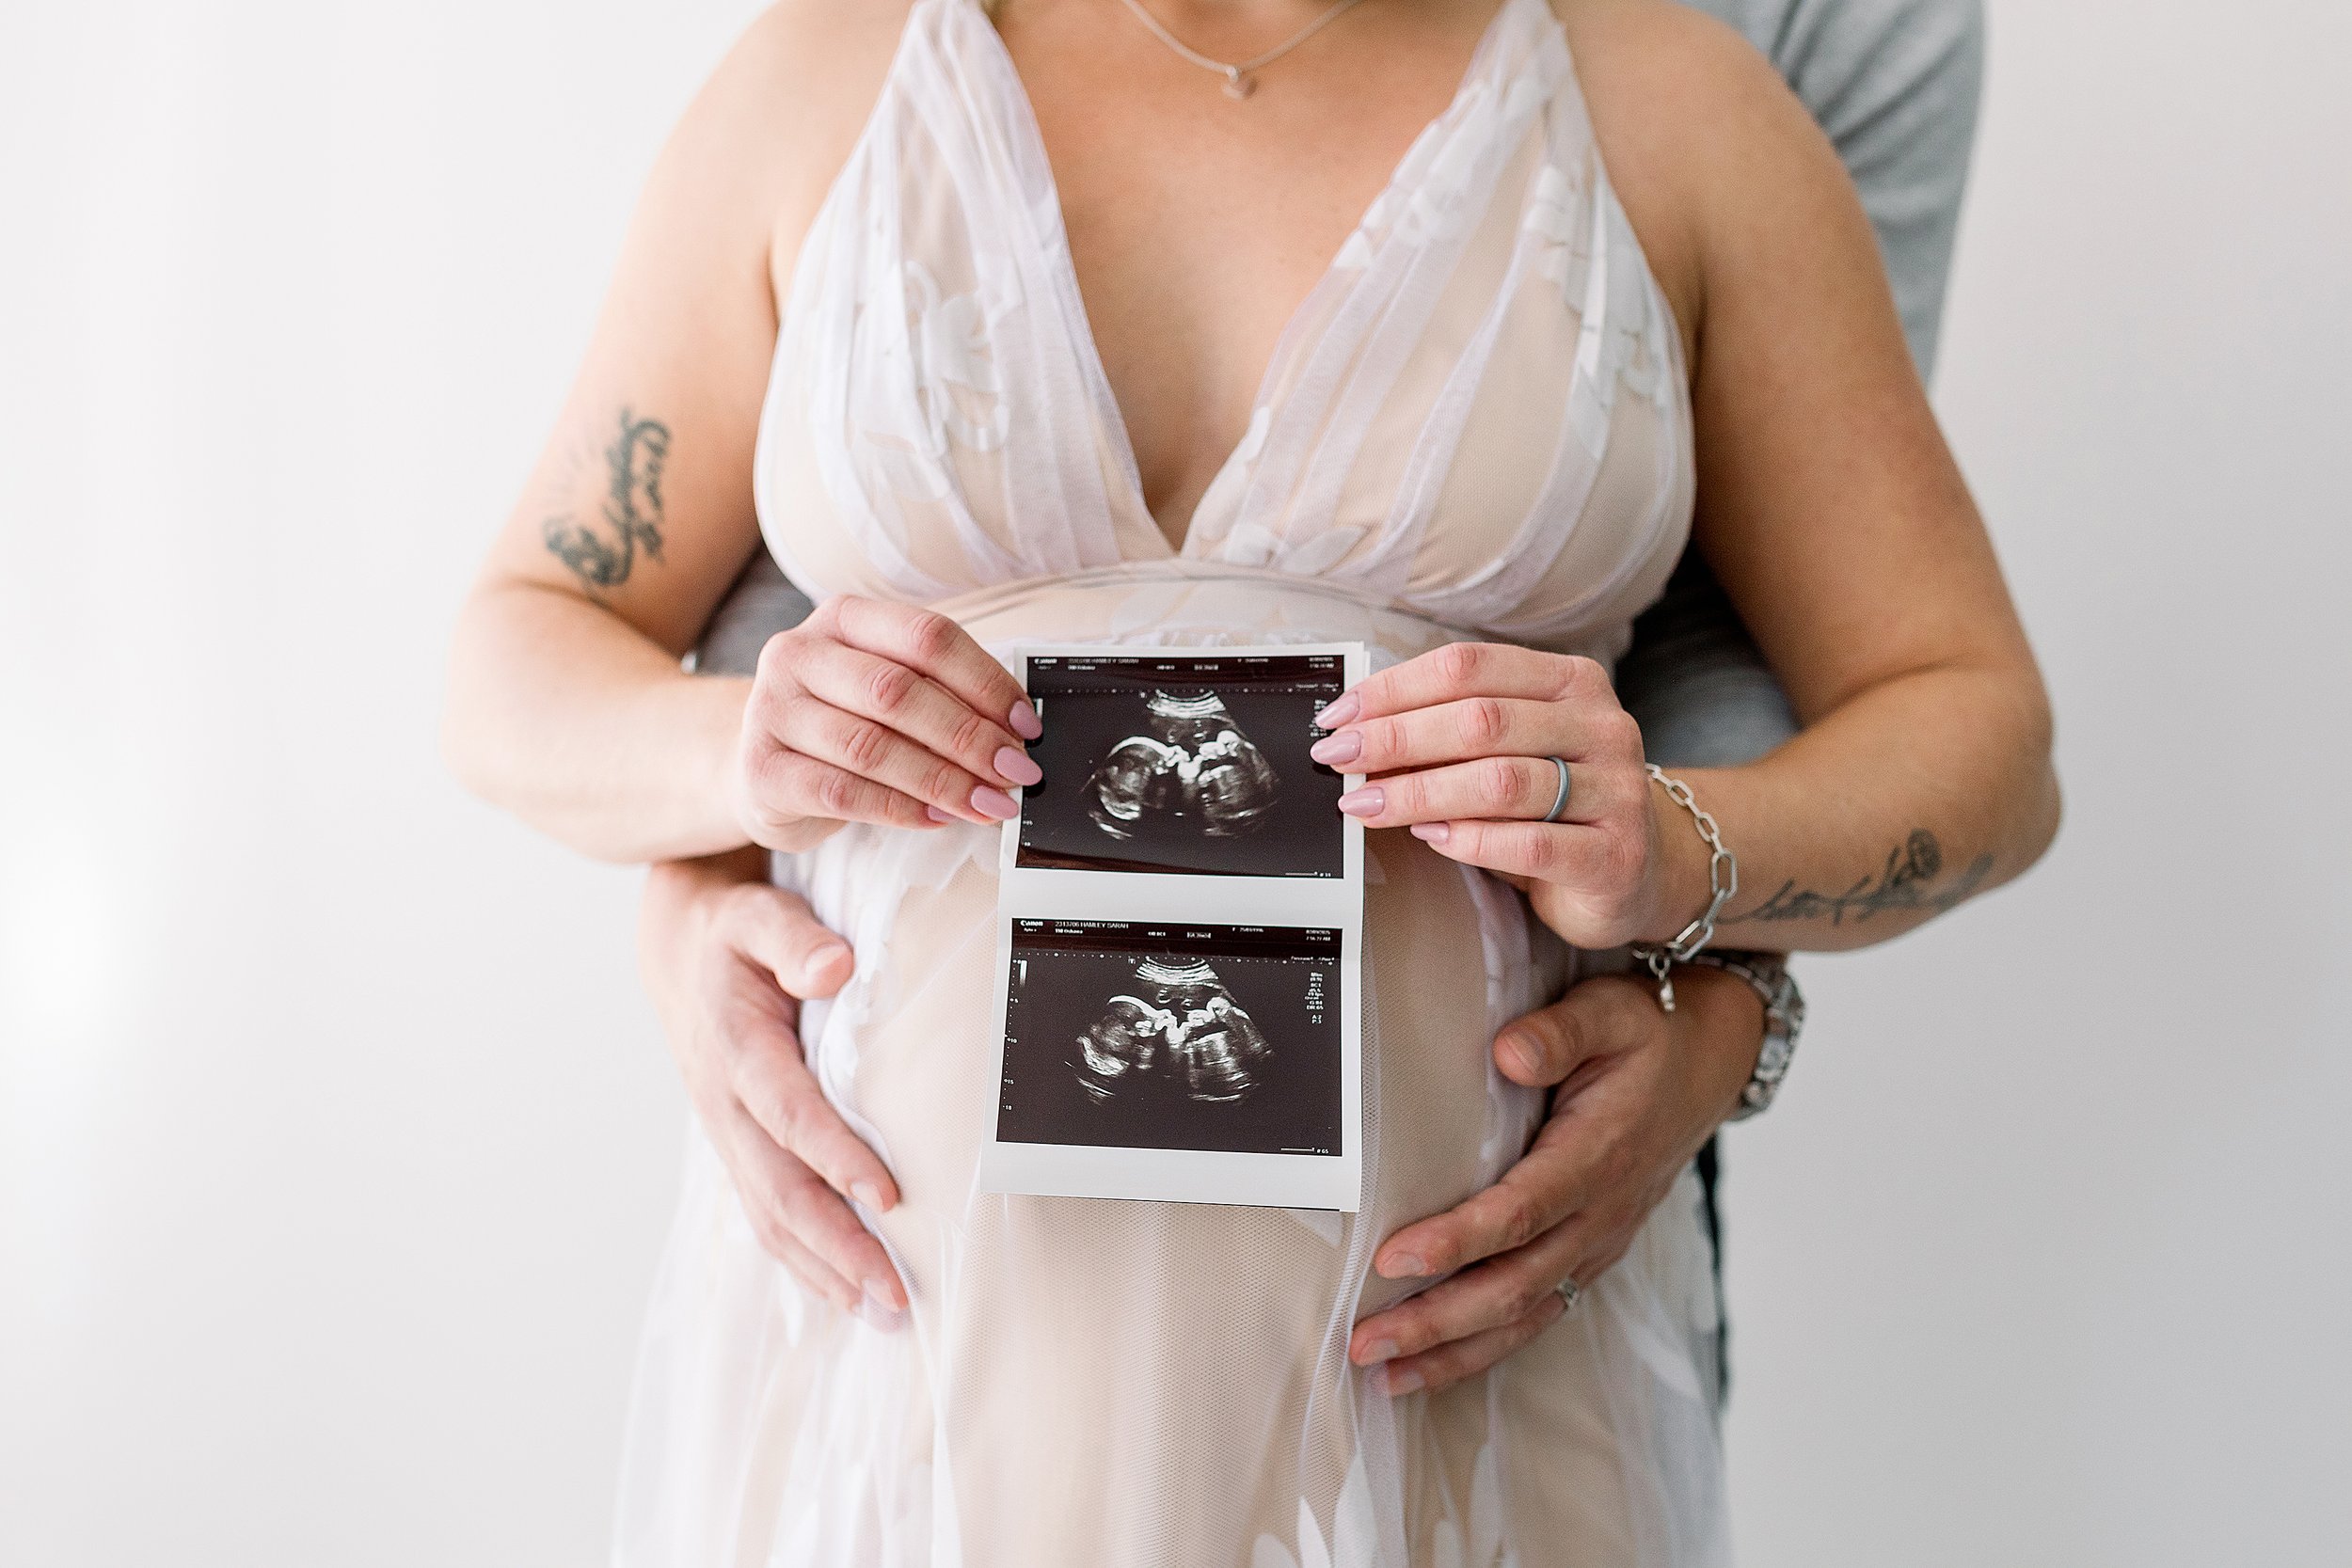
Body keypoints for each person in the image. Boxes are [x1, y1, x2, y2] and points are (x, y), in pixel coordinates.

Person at [443, 0, 2053, 1560]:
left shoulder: (1681, 103)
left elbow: (1978, 732)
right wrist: (736, 765)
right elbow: (525, 647)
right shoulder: (825, 75)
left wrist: (1686, 858)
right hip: (894, 1368)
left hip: (1457, 1383)